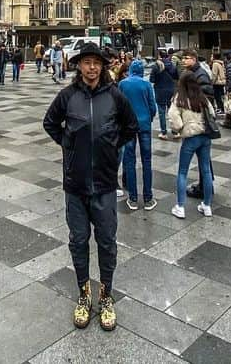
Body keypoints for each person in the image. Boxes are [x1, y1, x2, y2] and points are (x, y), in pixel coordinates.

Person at [43, 42, 137, 332]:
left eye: (97, 62)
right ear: (79, 66)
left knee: (107, 242)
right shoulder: (68, 96)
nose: (92, 67)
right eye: (87, 62)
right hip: (75, 184)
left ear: (103, 66)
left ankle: (106, 295)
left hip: (105, 184)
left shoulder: (115, 96)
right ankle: (84, 294)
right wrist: (68, 145)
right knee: (78, 240)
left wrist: (110, 148)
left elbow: (130, 127)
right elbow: (50, 123)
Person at [168, 70, 216, 218]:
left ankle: (180, 207)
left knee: (183, 171)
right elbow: (212, 114)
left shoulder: (179, 98)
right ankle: (207, 205)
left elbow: (174, 119)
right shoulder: (202, 97)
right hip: (205, 136)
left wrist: (179, 129)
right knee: (206, 171)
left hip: (190, 138)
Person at [119, 59, 158, 211]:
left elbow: (118, 105)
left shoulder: (123, 84)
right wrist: (149, 117)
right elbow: (152, 106)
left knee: (129, 161)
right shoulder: (146, 84)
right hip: (144, 125)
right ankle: (148, 198)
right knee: (147, 160)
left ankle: (133, 198)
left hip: (128, 126)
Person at [150, 49, 179, 140]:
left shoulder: (156, 66)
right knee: (172, 111)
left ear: (159, 56)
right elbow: (177, 77)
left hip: (160, 91)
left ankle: (164, 132)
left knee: (162, 112)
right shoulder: (172, 65)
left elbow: (152, 80)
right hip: (171, 90)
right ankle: (175, 132)